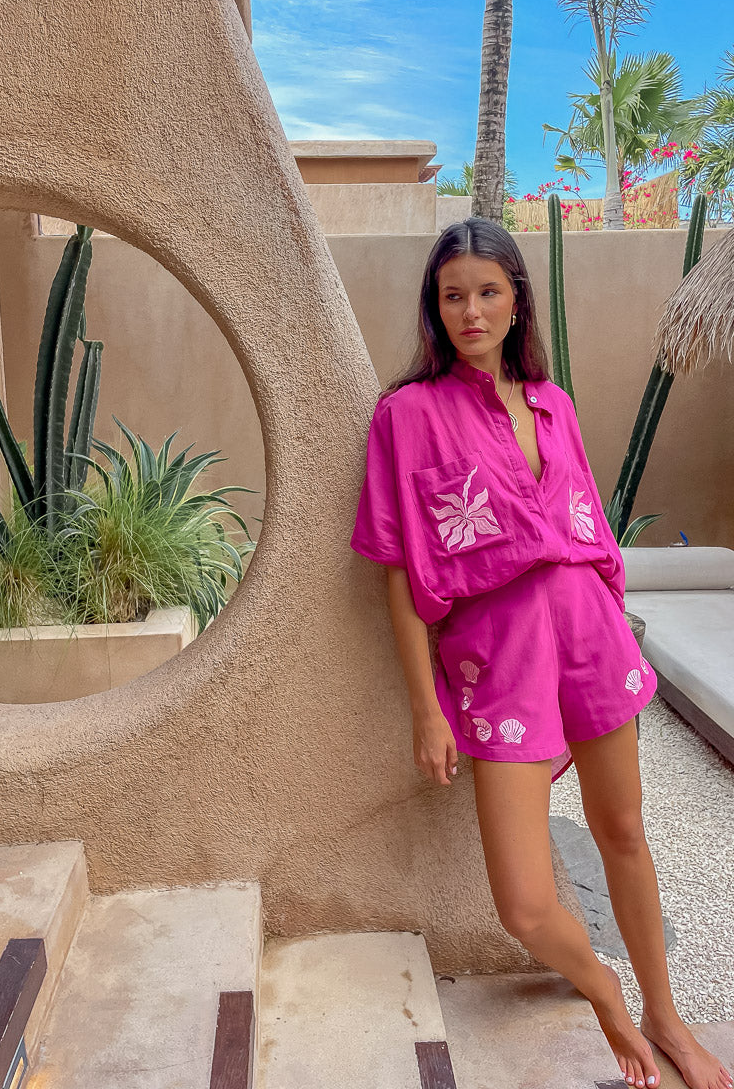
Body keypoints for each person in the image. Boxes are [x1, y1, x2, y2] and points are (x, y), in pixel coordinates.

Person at [349, 218, 733, 1089]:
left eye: (488, 292)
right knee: (523, 902)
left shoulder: (552, 404)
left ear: (517, 300)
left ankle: (665, 1016)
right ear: (435, 307)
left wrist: (614, 620)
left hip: (591, 637)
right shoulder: (406, 417)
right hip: (497, 659)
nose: (471, 312)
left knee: (624, 831)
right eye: (453, 296)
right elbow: (399, 573)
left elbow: (593, 532)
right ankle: (604, 991)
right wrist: (425, 710)